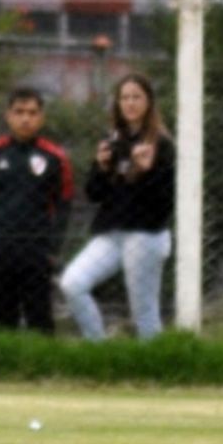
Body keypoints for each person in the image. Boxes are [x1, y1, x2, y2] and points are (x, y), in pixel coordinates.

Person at [58, 73, 176, 341]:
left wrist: (147, 170)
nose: (130, 103)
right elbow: (93, 193)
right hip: (112, 233)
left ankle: (155, 368)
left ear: (149, 103)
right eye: (125, 97)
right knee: (72, 283)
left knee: (143, 310)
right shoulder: (112, 141)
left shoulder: (162, 145)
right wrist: (100, 167)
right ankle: (99, 349)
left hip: (146, 233)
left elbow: (165, 201)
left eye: (137, 97)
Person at [0, 87, 75, 334]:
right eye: (19, 112)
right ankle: (7, 362)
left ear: (41, 117)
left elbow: (64, 205)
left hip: (37, 246)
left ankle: (43, 366)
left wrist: (53, 247)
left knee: (39, 313)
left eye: (32, 112)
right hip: (0, 244)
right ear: (8, 115)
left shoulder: (54, 157)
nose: (25, 118)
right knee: (4, 314)